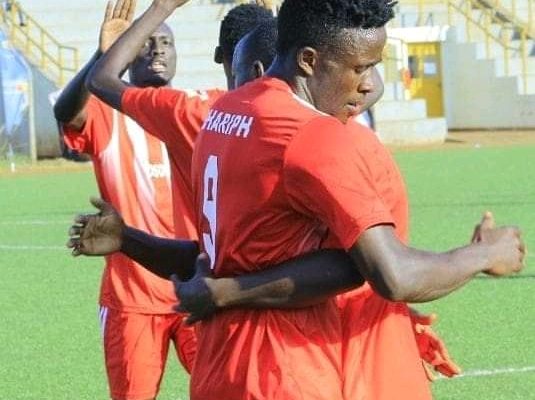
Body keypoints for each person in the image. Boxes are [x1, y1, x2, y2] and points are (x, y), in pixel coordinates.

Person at [75, 1, 525, 399]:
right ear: (309, 60)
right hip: (289, 370)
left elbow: (225, 260)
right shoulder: (316, 137)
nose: (367, 84)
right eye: (360, 68)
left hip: (221, 367)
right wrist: (486, 254)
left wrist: (132, 242)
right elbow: (391, 274)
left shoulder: (220, 114)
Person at [53, 2, 200, 399]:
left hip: (198, 289)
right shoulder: (106, 115)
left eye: (166, 42)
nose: (158, 50)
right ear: (129, 51)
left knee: (226, 389)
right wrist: (101, 57)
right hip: (131, 300)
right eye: (147, 42)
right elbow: (66, 112)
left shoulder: (196, 110)